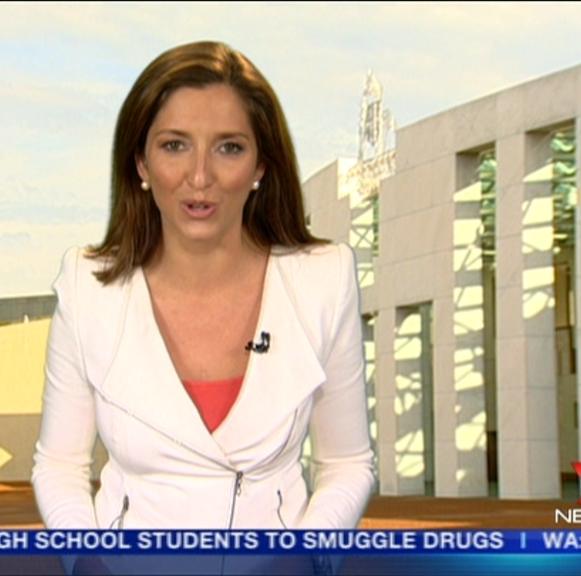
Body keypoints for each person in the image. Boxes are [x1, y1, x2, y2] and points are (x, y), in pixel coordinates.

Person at [31, 40, 376, 574]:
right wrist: (84, 561)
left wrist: (310, 556)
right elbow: (58, 465)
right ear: (140, 162)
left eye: (228, 148)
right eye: (175, 146)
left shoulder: (323, 280)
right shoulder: (88, 286)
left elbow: (348, 463)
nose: (199, 177)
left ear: (261, 165)